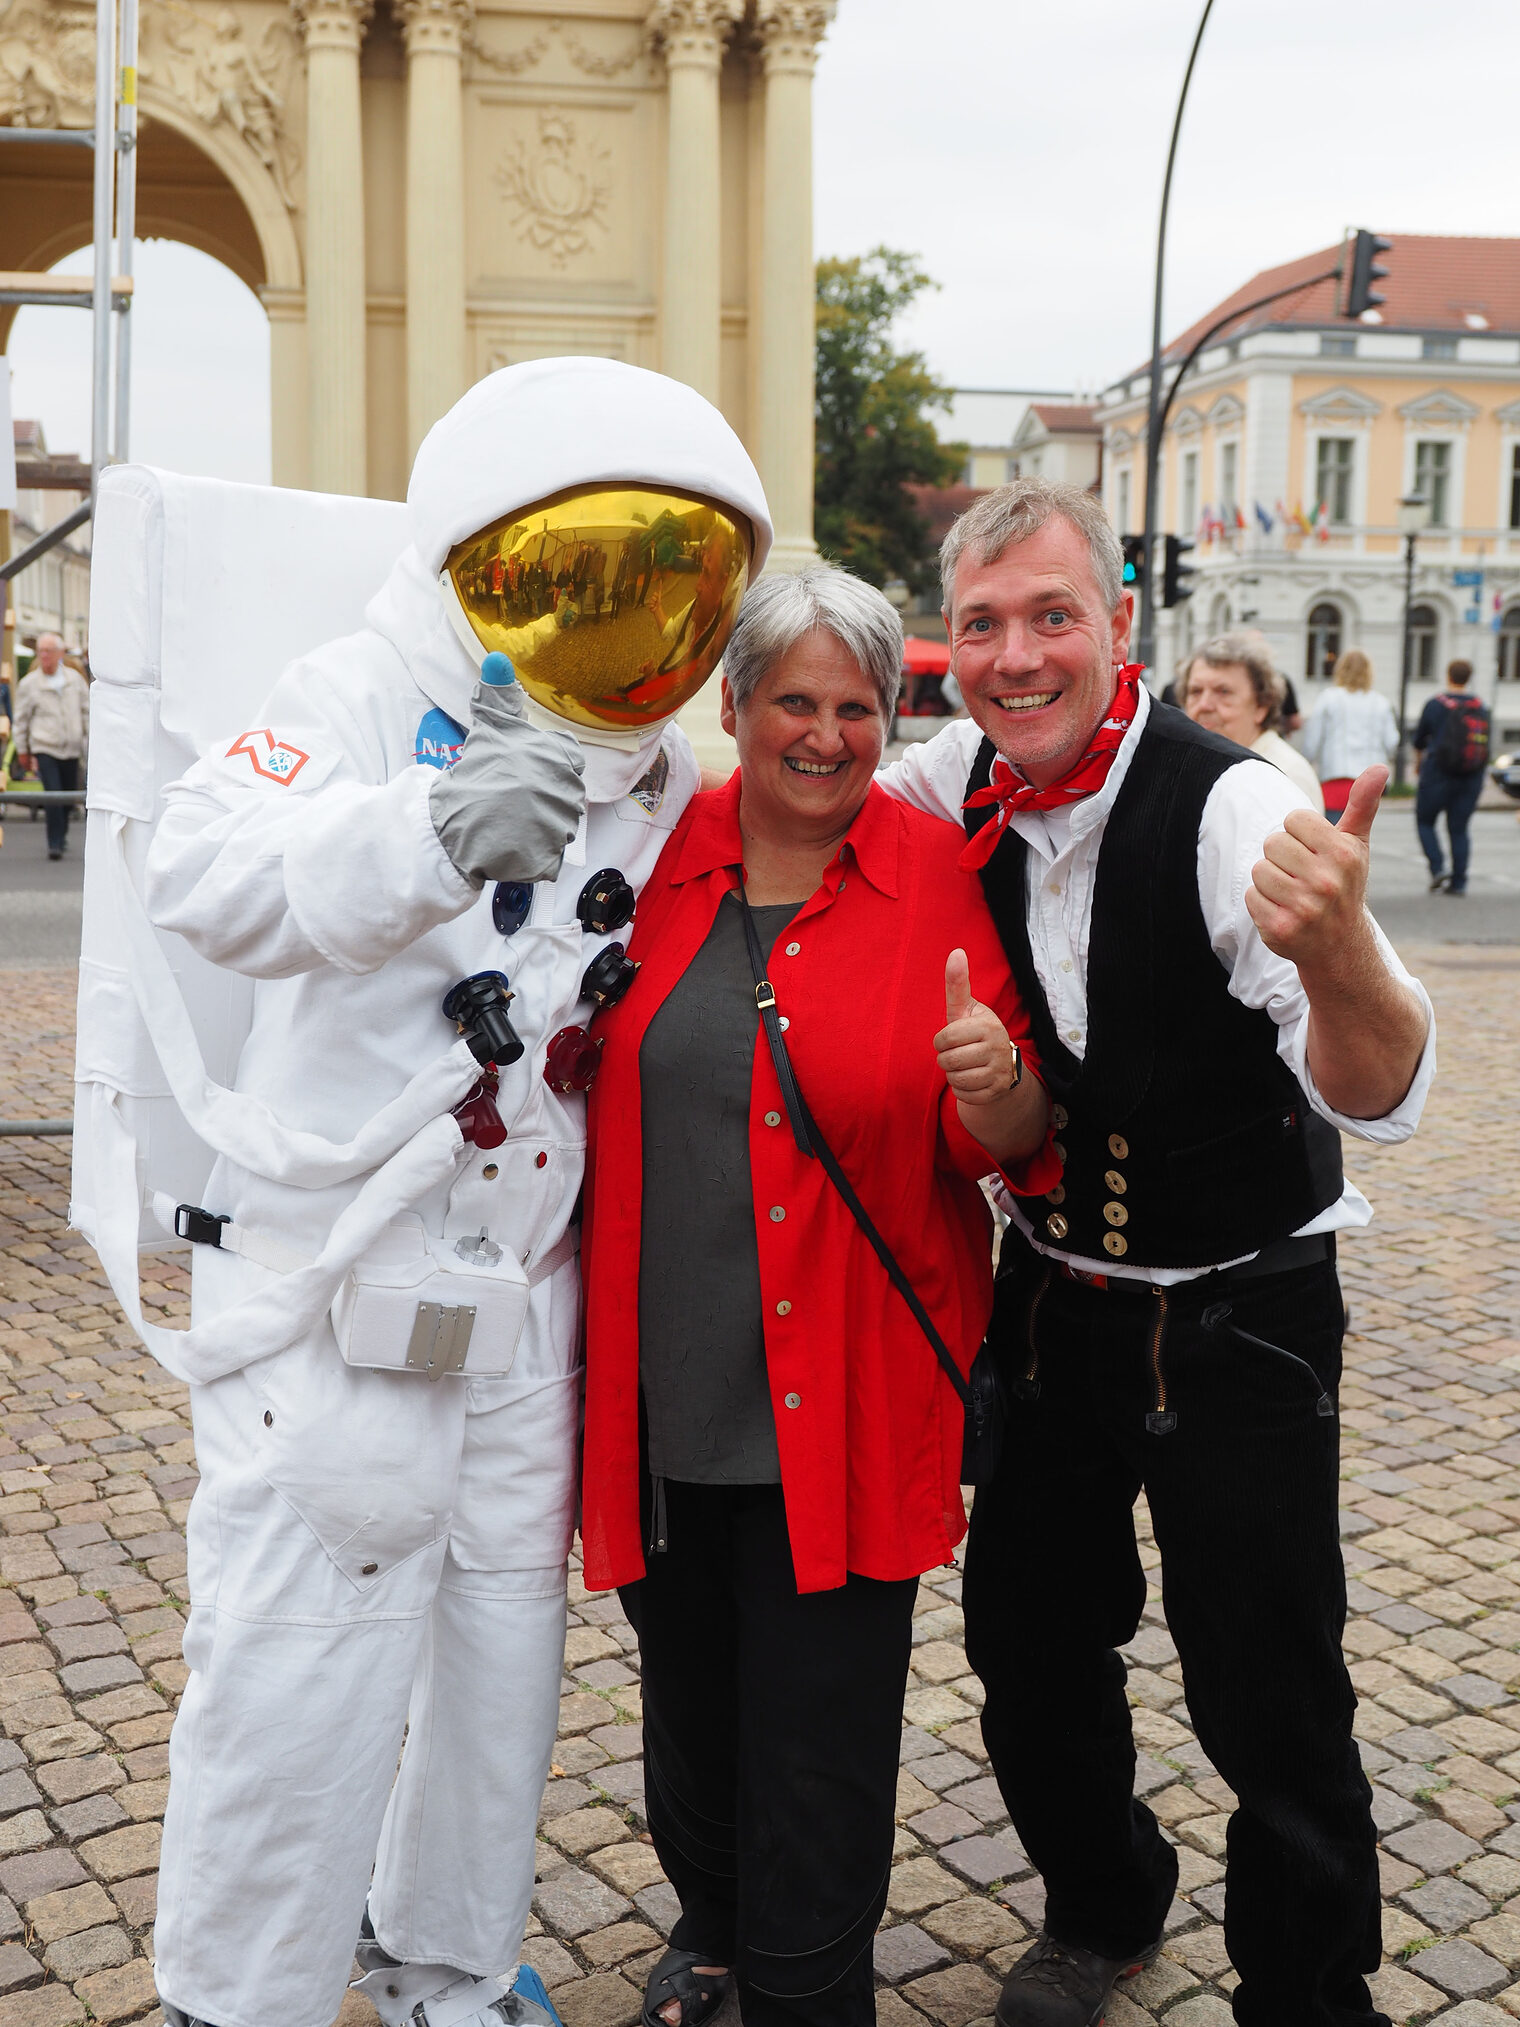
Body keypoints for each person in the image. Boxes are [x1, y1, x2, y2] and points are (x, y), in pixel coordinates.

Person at [134, 358, 771, 2027]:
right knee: (302, 1650)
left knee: (500, 1648)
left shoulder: (661, 767)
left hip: (523, 1285)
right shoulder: (358, 690)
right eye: (585, 581)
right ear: (479, 564)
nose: (628, 625)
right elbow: (198, 865)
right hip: (342, 1272)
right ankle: (242, 1994)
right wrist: (424, 830)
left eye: (668, 588)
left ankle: (453, 1962)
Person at [877, 478, 1433, 2027]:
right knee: (1028, 1639)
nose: (1017, 654)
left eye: (1054, 614)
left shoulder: (1236, 804)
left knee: (1267, 1681)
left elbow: (1381, 1091)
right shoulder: (946, 781)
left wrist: (1337, 953)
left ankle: (1311, 1996)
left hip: (1240, 1308)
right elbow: (807, 793)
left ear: (1122, 621)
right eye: (983, 624)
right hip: (1055, 1297)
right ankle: (1106, 1898)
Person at [579, 567, 1056, 2027]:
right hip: (665, 1397)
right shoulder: (658, 857)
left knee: (822, 1740)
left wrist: (1001, 1090)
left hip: (844, 1397)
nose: (830, 734)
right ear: (735, 707)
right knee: (691, 1709)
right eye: (795, 699)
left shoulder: (930, 874)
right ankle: (713, 1926)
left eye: (860, 706)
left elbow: (1012, 1136)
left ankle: (806, 1989)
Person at [1176, 633, 1324, 811]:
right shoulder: (1189, 766)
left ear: (1261, 705)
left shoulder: (1285, 776)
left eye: (1223, 692)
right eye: (1195, 691)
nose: (1204, 705)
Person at [1413, 658, 1491, 894]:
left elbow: (1419, 740)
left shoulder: (1435, 704)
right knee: (1459, 829)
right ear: (1468, 678)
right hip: (1471, 776)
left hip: (1438, 772)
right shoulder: (1481, 706)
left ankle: (1438, 868)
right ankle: (1459, 882)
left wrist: (1419, 764)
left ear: (1449, 676)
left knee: (1425, 821)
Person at [13, 632, 89, 858]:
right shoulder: (29, 684)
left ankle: (62, 832)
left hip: (72, 747)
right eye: (41, 651)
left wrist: (89, 740)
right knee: (53, 795)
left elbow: (86, 711)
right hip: (45, 746)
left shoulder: (74, 680)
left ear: (59, 654)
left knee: (67, 797)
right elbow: (21, 720)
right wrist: (23, 750)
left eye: (48, 651)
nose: (44, 655)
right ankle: (54, 842)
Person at [1301, 648, 1399, 823]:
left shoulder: (1328, 698)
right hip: (1369, 779)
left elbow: (1312, 740)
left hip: (1335, 775)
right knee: (1361, 834)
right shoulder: (1381, 702)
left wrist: (1306, 762)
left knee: (1334, 833)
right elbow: (1392, 742)